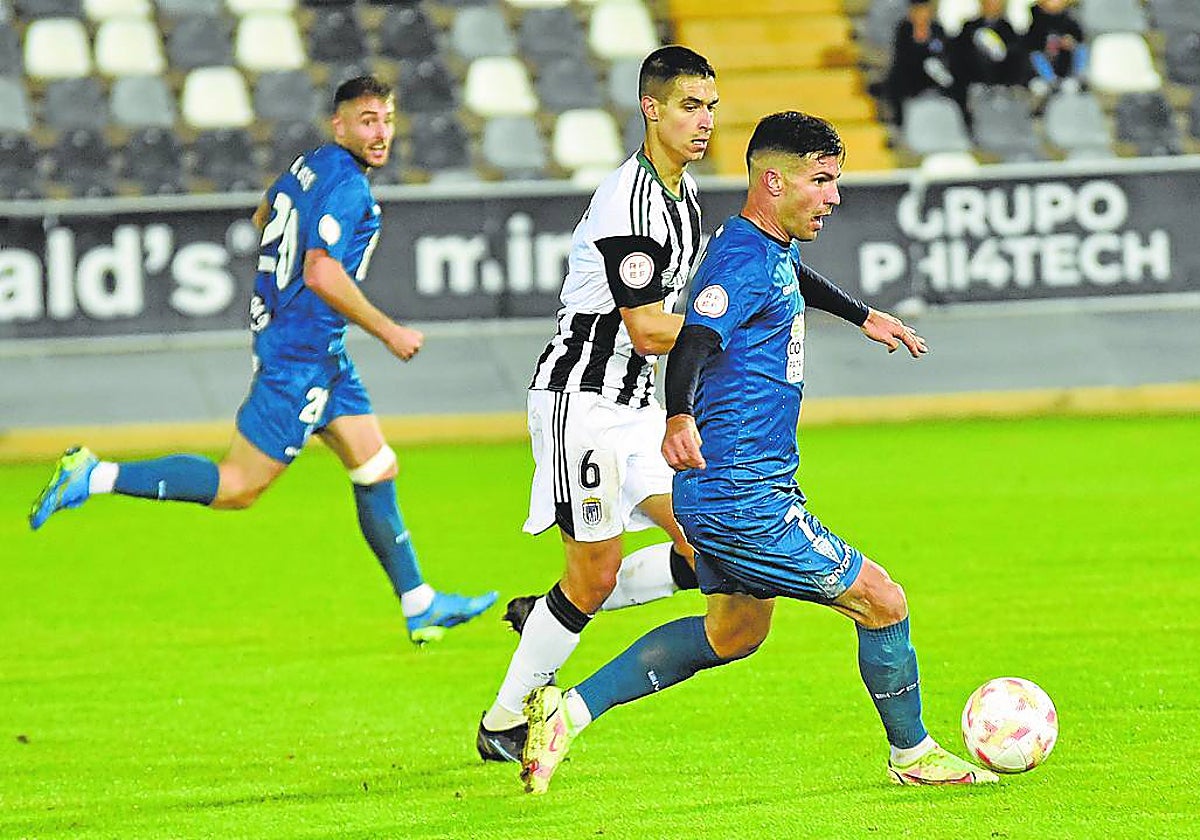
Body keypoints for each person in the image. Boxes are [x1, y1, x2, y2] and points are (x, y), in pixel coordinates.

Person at [518, 111, 999, 795]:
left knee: (733, 634)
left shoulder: (764, 247)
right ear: (774, 181)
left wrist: (865, 317)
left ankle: (567, 710)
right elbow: (693, 340)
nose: (833, 196)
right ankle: (913, 753)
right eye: (821, 181)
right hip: (744, 494)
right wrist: (678, 414)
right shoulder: (741, 261)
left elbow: (792, 280)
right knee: (883, 601)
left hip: (731, 490)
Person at [28, 76, 497, 644]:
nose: (380, 132)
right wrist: (388, 330)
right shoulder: (350, 188)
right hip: (299, 356)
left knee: (375, 466)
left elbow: (264, 214)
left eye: (388, 119)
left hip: (318, 352)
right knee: (237, 487)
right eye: (368, 119)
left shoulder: (309, 165)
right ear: (341, 123)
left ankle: (419, 603)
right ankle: (94, 475)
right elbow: (323, 272)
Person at [475, 46, 719, 763]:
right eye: (688, 106)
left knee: (710, 548)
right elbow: (646, 329)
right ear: (651, 108)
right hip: (579, 400)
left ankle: (547, 615)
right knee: (594, 575)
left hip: (639, 405)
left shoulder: (684, 192)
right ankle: (501, 724)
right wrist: (738, 328)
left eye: (710, 107)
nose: (704, 121)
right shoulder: (631, 200)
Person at [884, 0, 962, 123]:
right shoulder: (903, 30)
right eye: (918, 11)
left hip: (934, 77)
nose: (922, 15)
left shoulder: (937, 29)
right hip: (909, 78)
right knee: (897, 84)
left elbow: (944, 56)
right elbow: (903, 60)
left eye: (925, 10)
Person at [955, 0, 1028, 91]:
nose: (993, 4)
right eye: (989, 1)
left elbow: (1016, 60)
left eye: (997, 1)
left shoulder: (1008, 30)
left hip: (1003, 88)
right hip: (974, 86)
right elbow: (959, 58)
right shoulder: (969, 28)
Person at [1024, 0, 1088, 97]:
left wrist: (1071, 43)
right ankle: (1052, 81)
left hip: (1067, 72)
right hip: (1043, 75)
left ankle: (1077, 79)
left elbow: (1079, 39)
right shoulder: (1034, 20)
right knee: (1035, 56)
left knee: (1082, 49)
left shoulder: (1071, 19)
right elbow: (1031, 46)